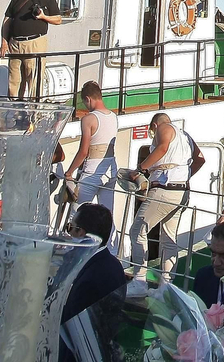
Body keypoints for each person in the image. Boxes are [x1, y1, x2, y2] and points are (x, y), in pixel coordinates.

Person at [126, 113, 200, 282]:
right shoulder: (185, 135)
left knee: (137, 231)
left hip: (164, 190)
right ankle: (167, 283)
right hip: (181, 191)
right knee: (168, 238)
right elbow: (199, 159)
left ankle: (139, 280)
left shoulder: (164, 127)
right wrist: (184, 176)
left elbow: (163, 148)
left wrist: (140, 169)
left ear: (154, 125)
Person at [59, 203, 128, 362]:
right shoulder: (112, 264)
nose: (68, 233)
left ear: (81, 233)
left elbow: (75, 329)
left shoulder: (93, 277)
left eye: (71, 228)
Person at [1, 0, 62, 100]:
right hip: (15, 43)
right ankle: (14, 107)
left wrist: (43, 17)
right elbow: (7, 20)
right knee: (14, 78)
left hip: (35, 42)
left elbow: (58, 19)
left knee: (33, 78)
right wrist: (4, 42)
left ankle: (34, 109)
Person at [63, 82, 120, 211]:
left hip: (92, 173)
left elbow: (83, 152)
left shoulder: (89, 119)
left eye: (85, 103)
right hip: (110, 171)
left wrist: (69, 172)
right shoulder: (113, 117)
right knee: (107, 214)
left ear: (88, 99)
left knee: (77, 212)